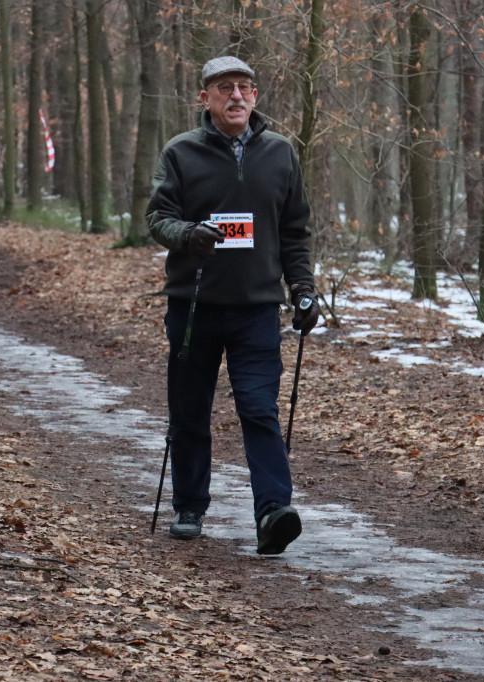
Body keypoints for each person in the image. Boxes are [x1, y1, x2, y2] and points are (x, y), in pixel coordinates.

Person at [146, 56, 321, 555]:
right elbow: (158, 216)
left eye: (245, 87)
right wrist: (188, 235)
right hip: (193, 308)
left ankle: (272, 512)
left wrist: (303, 291)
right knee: (189, 410)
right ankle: (189, 507)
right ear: (206, 99)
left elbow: (294, 233)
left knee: (260, 408)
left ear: (256, 97)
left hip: (257, 309)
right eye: (225, 88)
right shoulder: (181, 153)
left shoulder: (280, 154)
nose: (236, 96)